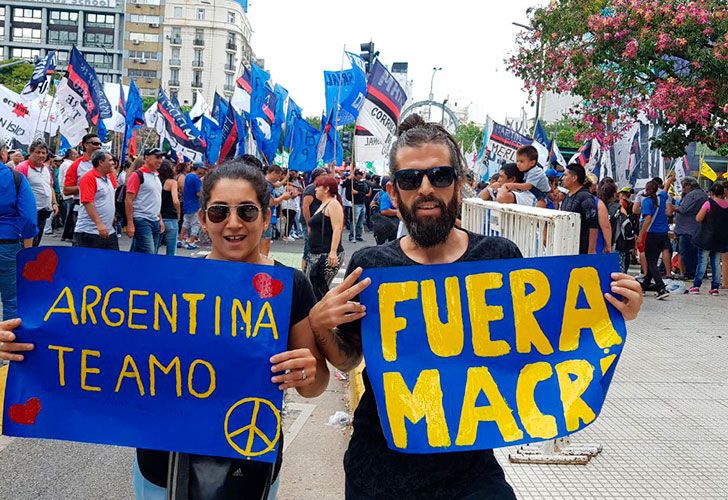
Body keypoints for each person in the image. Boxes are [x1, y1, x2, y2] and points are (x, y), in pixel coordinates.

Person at [308, 114, 644, 499]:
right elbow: (350, 359)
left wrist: (614, 313)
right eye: (410, 179)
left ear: (460, 184)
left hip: (469, 472)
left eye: (440, 176)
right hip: (379, 470)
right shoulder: (372, 266)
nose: (426, 188)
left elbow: (549, 349)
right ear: (394, 191)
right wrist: (320, 325)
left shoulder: (499, 259)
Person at [0, 159, 330, 498]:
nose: (233, 223)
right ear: (202, 219)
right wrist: (26, 343)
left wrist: (307, 373)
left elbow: (315, 385)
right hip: (162, 466)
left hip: (247, 465)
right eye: (219, 212)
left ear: (265, 216)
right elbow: (97, 346)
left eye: (246, 211)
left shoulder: (291, 285)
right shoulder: (168, 286)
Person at [0, 138, 37, 320]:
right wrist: (28, 248)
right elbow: (29, 218)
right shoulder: (15, 178)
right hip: (8, 245)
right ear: (2, 154)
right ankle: (8, 344)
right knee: (12, 300)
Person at [307, 175, 345, 301]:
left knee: (320, 289)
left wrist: (333, 252)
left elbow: (337, 228)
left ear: (326, 189)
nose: (315, 189)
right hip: (316, 254)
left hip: (326, 255)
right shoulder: (323, 204)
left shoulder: (333, 204)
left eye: (318, 187)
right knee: (314, 289)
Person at [15, 139, 59, 247]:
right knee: (26, 244)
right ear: (31, 152)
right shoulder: (22, 168)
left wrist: (54, 203)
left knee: (36, 242)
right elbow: (16, 190)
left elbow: (50, 186)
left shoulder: (46, 168)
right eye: (38, 152)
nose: (41, 155)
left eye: (44, 153)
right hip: (29, 213)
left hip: (44, 212)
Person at [72, 151, 119, 250]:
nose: (113, 163)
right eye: (110, 160)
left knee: (112, 262)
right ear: (101, 162)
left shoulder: (109, 178)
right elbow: (87, 202)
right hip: (89, 232)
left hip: (108, 230)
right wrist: (99, 224)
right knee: (88, 264)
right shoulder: (89, 178)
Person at [689, 181, 728, 295]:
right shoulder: (727, 204)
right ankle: (715, 287)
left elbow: (698, 218)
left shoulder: (708, 203)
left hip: (706, 238)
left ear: (711, 192)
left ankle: (696, 286)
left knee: (702, 261)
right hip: (720, 238)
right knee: (716, 262)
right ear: (723, 193)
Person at [125, 148, 165, 254]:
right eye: (157, 157)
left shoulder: (156, 176)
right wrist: (130, 224)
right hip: (142, 219)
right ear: (146, 158)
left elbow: (155, 199)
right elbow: (129, 200)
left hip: (154, 220)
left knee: (144, 252)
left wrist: (160, 219)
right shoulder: (137, 175)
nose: (160, 160)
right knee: (150, 252)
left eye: (161, 157)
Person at [63, 134, 102, 241]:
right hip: (82, 207)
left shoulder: (104, 164)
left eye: (99, 144)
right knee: (83, 242)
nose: (98, 146)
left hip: (102, 208)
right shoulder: (76, 165)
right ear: (85, 145)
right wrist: (86, 186)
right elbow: (66, 190)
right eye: (94, 143)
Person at [637, 180, 672, 299]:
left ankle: (661, 287)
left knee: (651, 261)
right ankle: (645, 284)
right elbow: (665, 189)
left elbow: (647, 219)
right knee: (654, 259)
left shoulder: (646, 201)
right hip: (663, 233)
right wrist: (670, 181)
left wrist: (641, 235)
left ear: (646, 190)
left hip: (651, 233)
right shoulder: (661, 198)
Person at [671, 177, 707, 280]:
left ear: (689, 185)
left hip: (687, 229)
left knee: (686, 252)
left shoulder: (692, 195)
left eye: (684, 186)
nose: (683, 189)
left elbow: (683, 209)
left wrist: (672, 207)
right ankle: (695, 272)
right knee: (694, 253)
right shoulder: (702, 194)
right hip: (694, 228)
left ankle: (689, 273)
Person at [560, 163, 599, 254]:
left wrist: (591, 249)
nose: (562, 178)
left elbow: (593, 225)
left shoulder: (586, 198)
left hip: (581, 249)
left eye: (565, 175)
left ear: (574, 178)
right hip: (567, 247)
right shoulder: (567, 197)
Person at [300, 167, 328, 271]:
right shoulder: (311, 188)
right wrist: (308, 224)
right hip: (310, 222)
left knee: (315, 246)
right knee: (309, 247)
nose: (326, 177)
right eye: (323, 175)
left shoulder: (321, 188)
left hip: (317, 222)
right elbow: (305, 207)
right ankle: (304, 270)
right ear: (317, 177)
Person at [261, 163, 291, 256]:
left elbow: (277, 184)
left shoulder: (266, 183)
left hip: (265, 215)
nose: (279, 178)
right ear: (273, 173)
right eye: (278, 176)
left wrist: (286, 178)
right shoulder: (266, 185)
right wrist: (283, 197)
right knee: (265, 241)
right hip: (265, 215)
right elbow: (271, 202)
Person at [159, 160, 181, 256]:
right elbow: (175, 201)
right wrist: (179, 213)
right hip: (171, 218)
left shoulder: (157, 181)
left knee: (154, 247)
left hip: (158, 216)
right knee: (171, 251)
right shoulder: (172, 182)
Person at [182, 162, 206, 250]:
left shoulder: (188, 176)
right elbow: (199, 193)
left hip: (187, 203)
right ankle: (191, 242)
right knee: (196, 224)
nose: (203, 170)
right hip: (195, 204)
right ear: (198, 168)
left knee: (186, 223)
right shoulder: (196, 179)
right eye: (202, 168)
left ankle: (180, 239)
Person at [344, 169, 370, 242]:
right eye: (360, 174)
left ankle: (359, 235)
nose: (362, 175)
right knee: (354, 221)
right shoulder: (352, 182)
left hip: (362, 203)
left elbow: (365, 192)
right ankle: (352, 236)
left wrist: (357, 192)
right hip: (355, 203)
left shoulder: (363, 183)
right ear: (357, 174)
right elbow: (344, 184)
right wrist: (350, 177)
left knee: (360, 221)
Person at [596, 178, 617, 254]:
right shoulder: (618, 208)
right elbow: (606, 227)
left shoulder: (594, 202)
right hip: (609, 243)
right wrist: (608, 245)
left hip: (594, 242)